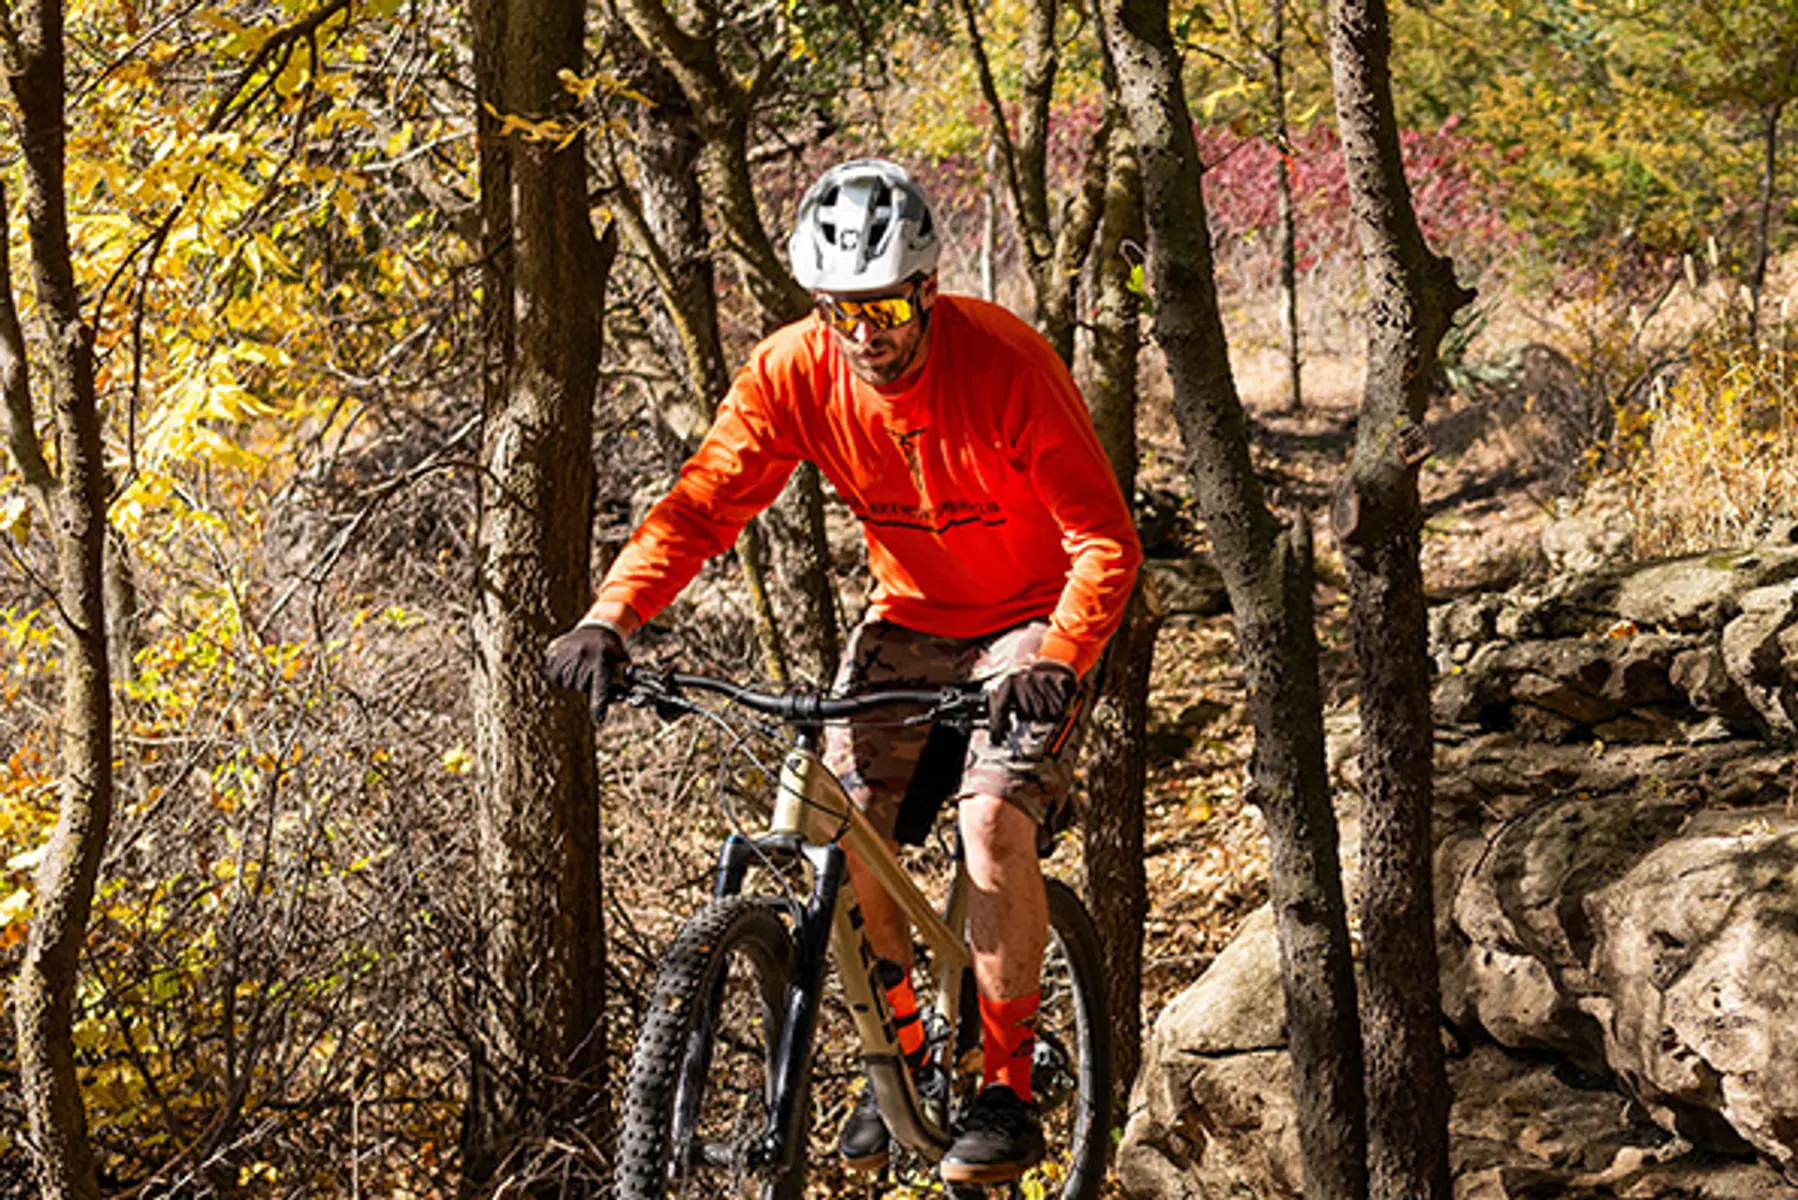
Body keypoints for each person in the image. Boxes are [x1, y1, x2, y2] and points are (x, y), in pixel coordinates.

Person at [546, 157, 1141, 1184]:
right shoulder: (792, 371)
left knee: (992, 819)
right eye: (841, 312)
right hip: (909, 611)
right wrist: (611, 613)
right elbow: (704, 506)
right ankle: (901, 1062)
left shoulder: (1006, 363)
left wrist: (1058, 656)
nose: (866, 335)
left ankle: (1003, 1083)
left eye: (886, 311)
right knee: (839, 815)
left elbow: (1103, 541)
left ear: (925, 291)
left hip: (1029, 620)